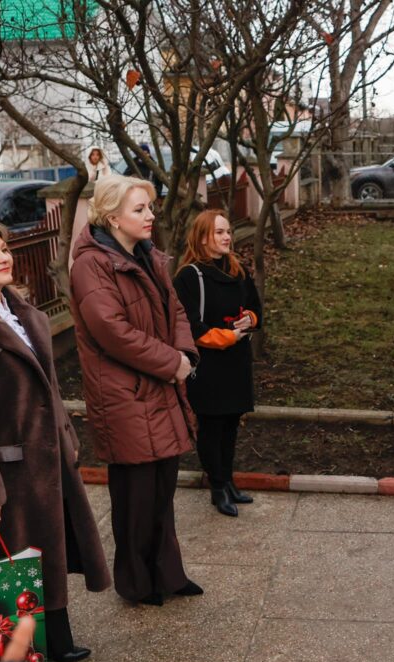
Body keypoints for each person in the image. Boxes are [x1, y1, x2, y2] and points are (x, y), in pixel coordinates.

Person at [0, 219, 111, 662]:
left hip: (47, 458)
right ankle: (15, 659)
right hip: (4, 468)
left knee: (47, 551)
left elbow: (48, 387)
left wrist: (67, 439)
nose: (4, 256)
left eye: (4, 247)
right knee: (6, 563)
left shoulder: (23, 311)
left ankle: (57, 638)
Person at [69, 175, 202, 605]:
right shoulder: (92, 265)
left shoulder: (146, 256)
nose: (150, 215)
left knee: (162, 492)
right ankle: (136, 583)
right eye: (140, 209)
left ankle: (169, 575)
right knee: (135, 499)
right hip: (125, 397)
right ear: (112, 217)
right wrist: (172, 363)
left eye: (150, 207)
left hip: (158, 387)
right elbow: (113, 332)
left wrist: (184, 354)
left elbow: (175, 308)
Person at [173, 210, 262, 517]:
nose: (227, 237)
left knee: (230, 426)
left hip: (236, 363)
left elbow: (255, 309)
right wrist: (227, 336)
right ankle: (218, 487)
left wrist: (247, 320)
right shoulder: (189, 276)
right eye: (219, 232)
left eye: (228, 231)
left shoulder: (237, 269)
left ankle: (228, 480)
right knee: (211, 427)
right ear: (201, 238)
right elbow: (188, 326)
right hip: (208, 365)